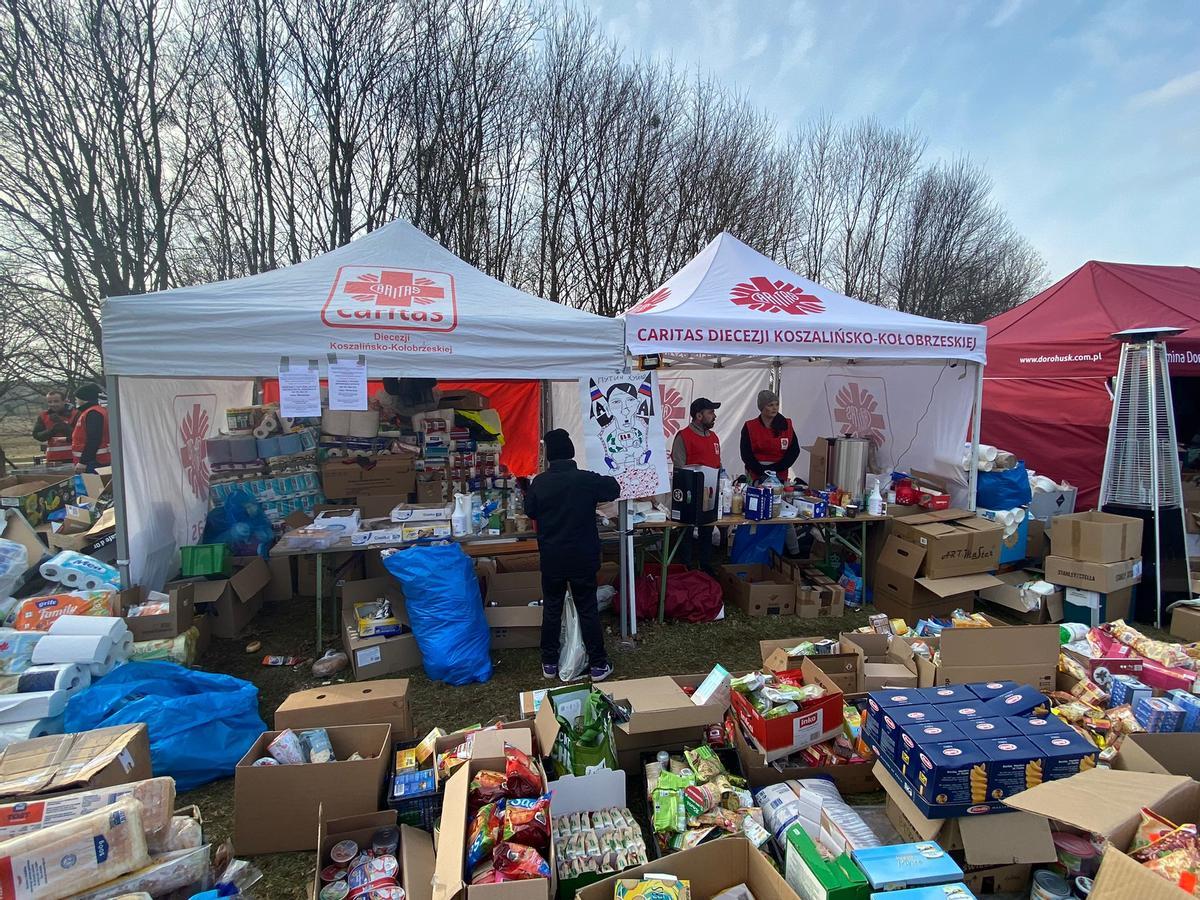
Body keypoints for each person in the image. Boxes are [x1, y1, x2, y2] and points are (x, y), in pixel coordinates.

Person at [523, 428, 620, 683]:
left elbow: (530, 510)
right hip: (582, 556)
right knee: (587, 608)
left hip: (553, 556)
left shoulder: (540, 483)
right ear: (571, 453)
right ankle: (598, 664)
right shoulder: (586, 479)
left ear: (549, 457)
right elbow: (613, 488)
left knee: (552, 608)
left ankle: (549, 663)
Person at [670, 397, 722, 575]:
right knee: (686, 532)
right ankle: (685, 567)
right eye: (710, 412)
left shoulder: (714, 437)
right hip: (689, 493)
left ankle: (705, 566)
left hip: (710, 493)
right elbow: (679, 465)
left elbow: (717, 464)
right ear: (699, 415)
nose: (714, 416)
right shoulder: (683, 436)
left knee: (707, 530)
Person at [740, 390, 800, 483]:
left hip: (780, 474)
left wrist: (776, 468)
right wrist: (761, 470)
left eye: (776, 404)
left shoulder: (786, 425)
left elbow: (794, 450)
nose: (775, 408)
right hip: (755, 474)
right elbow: (746, 454)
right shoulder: (750, 426)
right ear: (762, 407)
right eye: (770, 405)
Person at [71, 383, 110, 474]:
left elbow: (94, 439)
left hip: (94, 461)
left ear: (85, 399)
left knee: (93, 487)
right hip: (97, 459)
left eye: (77, 398)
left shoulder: (92, 413)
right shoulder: (99, 411)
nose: (76, 401)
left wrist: (83, 462)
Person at [32, 390, 77, 466]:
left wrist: (63, 426)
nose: (53, 404)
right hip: (53, 459)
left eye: (56, 401)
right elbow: (37, 435)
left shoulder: (75, 414)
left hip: (74, 457)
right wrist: (52, 430)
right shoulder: (44, 416)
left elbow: (80, 435)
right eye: (50, 402)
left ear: (64, 401)